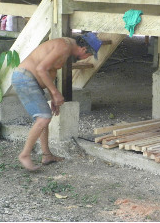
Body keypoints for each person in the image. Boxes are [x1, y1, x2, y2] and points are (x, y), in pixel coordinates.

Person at [11, 32, 102, 171]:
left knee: (44, 116)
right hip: (25, 78)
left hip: (29, 79)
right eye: (89, 55)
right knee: (43, 117)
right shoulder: (64, 46)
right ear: (84, 50)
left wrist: (53, 96)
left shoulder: (66, 46)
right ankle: (25, 154)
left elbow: (49, 70)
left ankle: (46, 155)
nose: (87, 58)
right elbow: (41, 69)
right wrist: (55, 92)